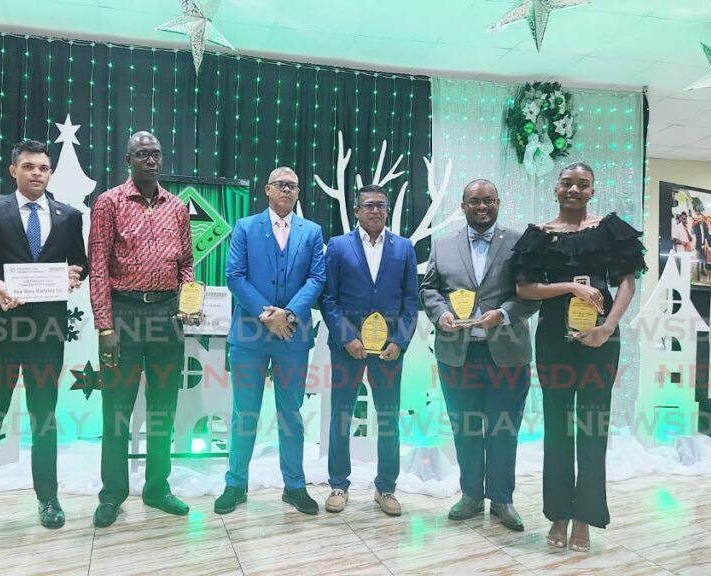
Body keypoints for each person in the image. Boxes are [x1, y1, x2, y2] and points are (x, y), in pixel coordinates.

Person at [0, 139, 88, 541]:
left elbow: (79, 263)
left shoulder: (68, 216)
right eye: (28, 167)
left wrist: (76, 275)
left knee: (44, 417)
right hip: (1, 329)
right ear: (14, 171)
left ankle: (49, 499)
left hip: (47, 331)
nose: (37, 173)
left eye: (43, 167)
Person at [511, 162, 646, 553]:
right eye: (567, 183)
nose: (573, 189)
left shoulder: (610, 229)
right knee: (557, 427)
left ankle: (585, 517)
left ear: (592, 190)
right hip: (554, 339)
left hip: (601, 339)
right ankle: (558, 514)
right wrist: (569, 286)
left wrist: (608, 328)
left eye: (582, 184)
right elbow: (525, 289)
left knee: (592, 427)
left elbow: (626, 281)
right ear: (556, 189)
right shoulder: (539, 236)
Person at [89, 131, 198, 528]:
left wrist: (188, 302)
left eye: (156, 154)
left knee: (163, 409)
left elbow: (186, 263)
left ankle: (157, 487)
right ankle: (112, 494)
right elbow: (98, 267)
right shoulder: (109, 203)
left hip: (168, 315)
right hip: (124, 315)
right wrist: (104, 326)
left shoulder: (177, 207)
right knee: (116, 409)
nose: (151, 160)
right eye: (142, 154)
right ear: (128, 159)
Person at [420, 179, 539, 532]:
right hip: (457, 354)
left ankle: (502, 498)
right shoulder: (442, 246)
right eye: (475, 201)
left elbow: (530, 293)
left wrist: (502, 314)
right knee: (466, 427)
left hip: (507, 352)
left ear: (498, 204)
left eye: (489, 201)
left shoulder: (519, 242)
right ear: (463, 205)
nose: (482, 207)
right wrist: (441, 313)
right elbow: (429, 289)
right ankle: (471, 494)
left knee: (504, 429)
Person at [213, 166, 326, 515]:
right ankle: (235, 484)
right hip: (249, 336)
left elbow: (317, 279)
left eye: (292, 186)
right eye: (280, 184)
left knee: (290, 413)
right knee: (244, 413)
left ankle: (294, 486)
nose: (286, 190)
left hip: (292, 335)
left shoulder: (312, 232)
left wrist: (287, 315)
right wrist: (269, 316)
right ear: (266, 189)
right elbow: (234, 276)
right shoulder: (246, 227)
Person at [321, 184, 419, 517]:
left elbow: (411, 301)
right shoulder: (337, 246)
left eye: (381, 205)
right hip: (347, 347)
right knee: (341, 416)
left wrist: (400, 341)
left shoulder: (404, 248)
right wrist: (346, 336)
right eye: (368, 205)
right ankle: (338, 484)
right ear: (356, 210)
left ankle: (386, 488)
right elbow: (328, 298)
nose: (375, 210)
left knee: (389, 418)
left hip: (389, 349)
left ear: (388, 210)